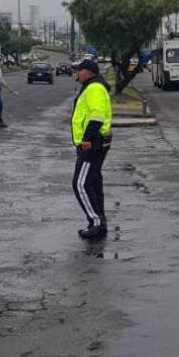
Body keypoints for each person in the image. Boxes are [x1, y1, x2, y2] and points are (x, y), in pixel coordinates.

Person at [70, 58, 113, 240]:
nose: (77, 74)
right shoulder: (92, 86)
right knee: (94, 183)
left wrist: (87, 138)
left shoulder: (94, 88)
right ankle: (99, 222)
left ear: (88, 71)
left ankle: (95, 222)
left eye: (79, 70)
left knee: (80, 183)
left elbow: (97, 116)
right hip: (95, 142)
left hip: (92, 143)